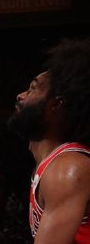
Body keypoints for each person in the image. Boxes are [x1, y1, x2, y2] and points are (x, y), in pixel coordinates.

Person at [7, 39, 90, 244]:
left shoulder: (69, 167)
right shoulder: (51, 164)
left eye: (33, 89)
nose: (20, 96)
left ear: (56, 104)